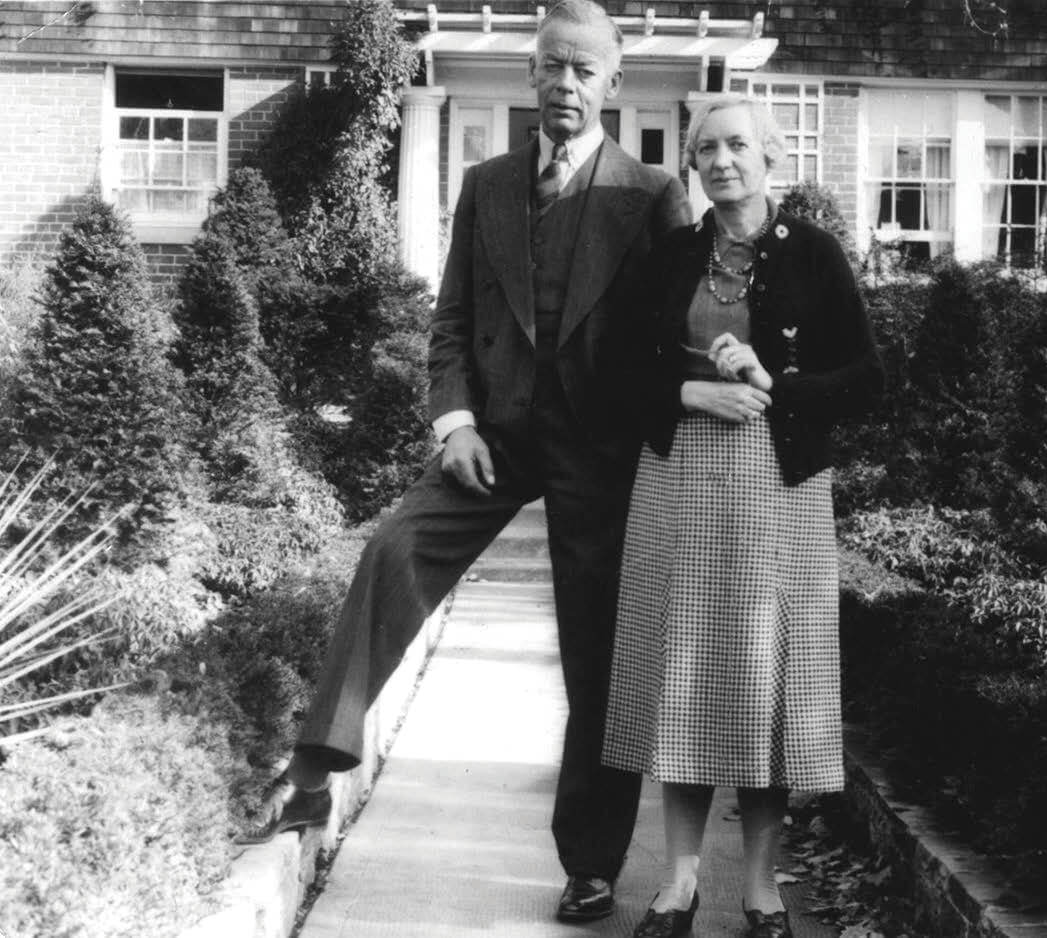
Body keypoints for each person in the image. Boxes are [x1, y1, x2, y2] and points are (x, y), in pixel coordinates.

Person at [237, 0, 691, 924]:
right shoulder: (485, 185)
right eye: (552, 65)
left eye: (584, 70)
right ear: (532, 72)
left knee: (597, 653)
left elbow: (670, 336)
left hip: (598, 452)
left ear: (613, 84)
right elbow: (448, 327)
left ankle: (593, 863)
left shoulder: (650, 197)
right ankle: (319, 769)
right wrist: (455, 425)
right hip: (496, 432)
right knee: (394, 548)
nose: (565, 83)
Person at [600, 96, 884, 938]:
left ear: (769, 157)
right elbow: (614, 367)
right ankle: (678, 886)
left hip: (779, 488)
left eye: (737, 146)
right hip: (679, 479)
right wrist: (686, 389)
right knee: (684, 687)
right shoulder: (671, 256)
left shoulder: (816, 255)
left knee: (761, 688)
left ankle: (760, 891)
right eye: (704, 148)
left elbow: (867, 379)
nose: (720, 161)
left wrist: (772, 382)